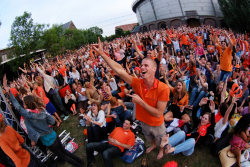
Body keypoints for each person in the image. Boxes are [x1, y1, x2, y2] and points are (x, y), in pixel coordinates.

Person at [93, 38, 170, 159]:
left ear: (154, 69)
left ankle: (160, 150)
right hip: (143, 122)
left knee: (161, 140)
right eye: (141, 65)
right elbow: (119, 70)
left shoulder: (163, 88)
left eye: (146, 65)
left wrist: (141, 103)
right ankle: (153, 145)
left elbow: (159, 113)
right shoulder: (137, 83)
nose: (142, 67)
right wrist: (102, 54)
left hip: (157, 124)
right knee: (149, 138)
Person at [3, 77, 84, 167]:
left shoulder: (29, 115)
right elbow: (52, 121)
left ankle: (79, 165)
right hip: (53, 135)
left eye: (24, 104)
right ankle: (80, 161)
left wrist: (8, 92)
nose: (23, 105)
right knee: (64, 151)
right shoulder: (41, 110)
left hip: (48, 141)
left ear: (28, 105)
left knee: (63, 156)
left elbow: (18, 107)